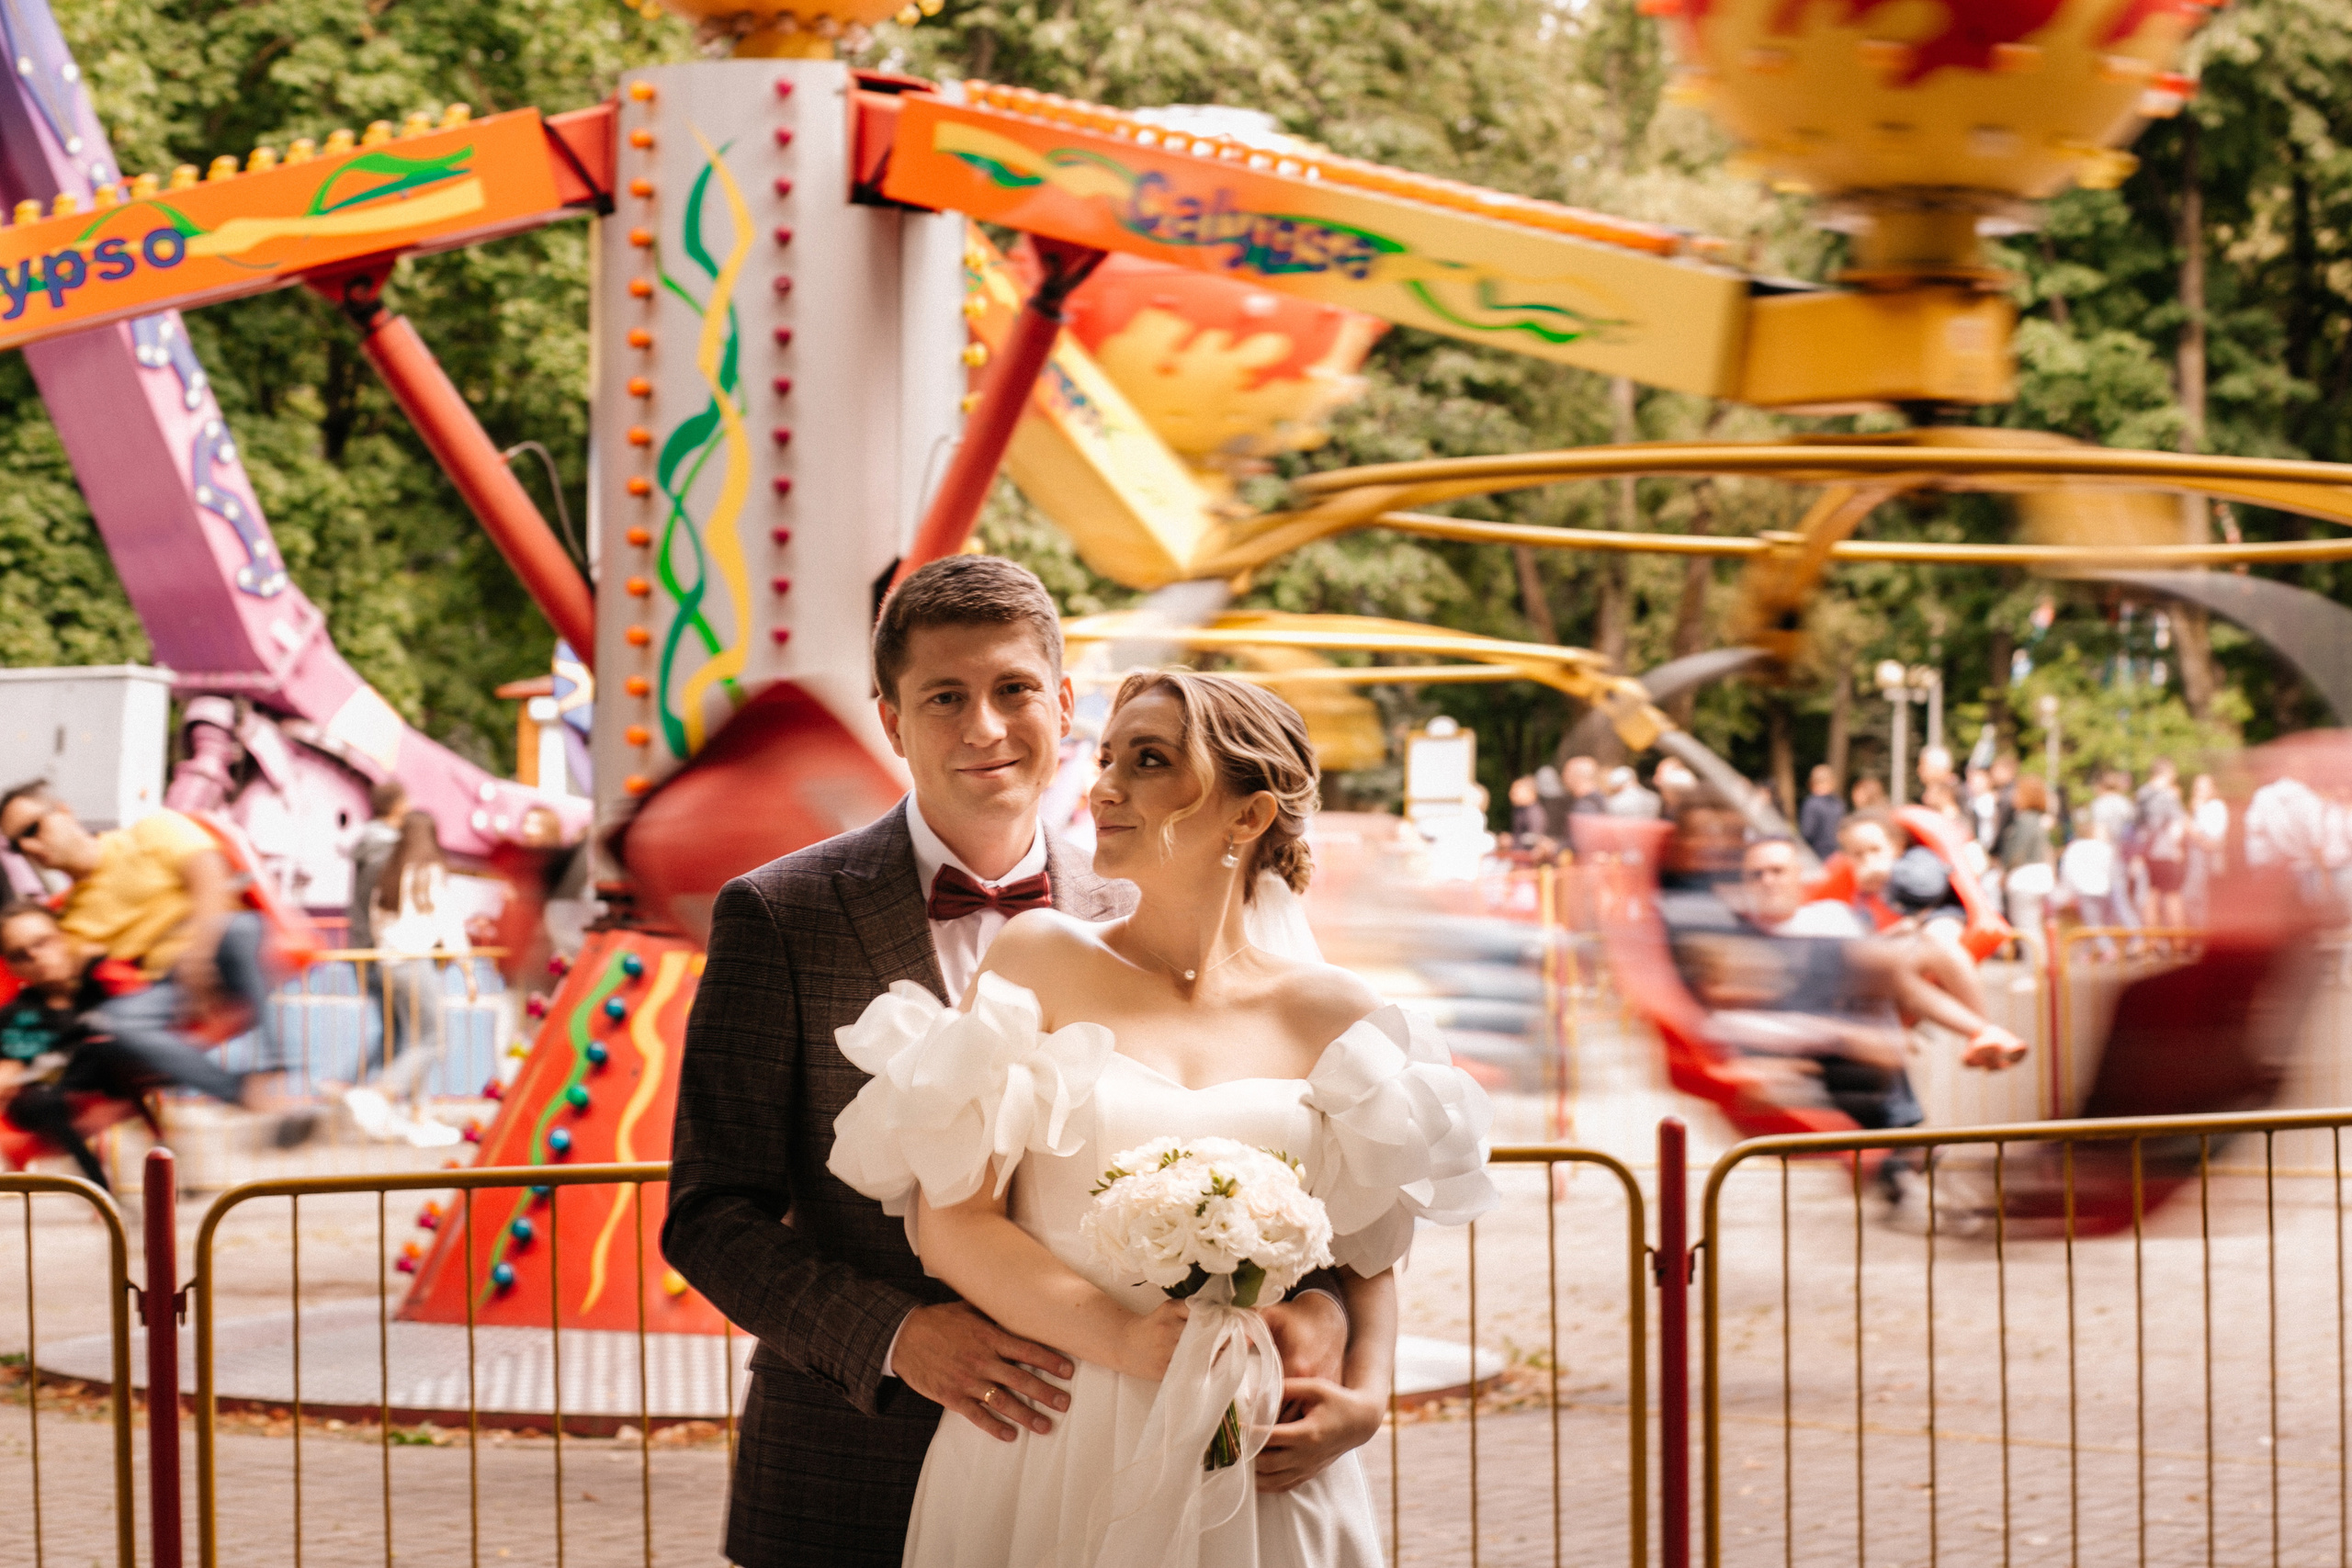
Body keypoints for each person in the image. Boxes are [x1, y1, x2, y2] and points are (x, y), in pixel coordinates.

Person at [662, 558, 1364, 1568]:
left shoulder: (1147, 907)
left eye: (1013, 690)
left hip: (1121, 1468)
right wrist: (900, 1337)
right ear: (893, 723)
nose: (984, 728)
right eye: (944, 698)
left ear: (1064, 702)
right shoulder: (780, 916)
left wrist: (1323, 1319)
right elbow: (709, 1211)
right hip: (849, 1460)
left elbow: (1291, 1165)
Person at [828, 668, 1493, 1565]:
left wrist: (1365, 1400)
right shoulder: (1037, 960)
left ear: (1248, 816)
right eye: (1105, 757)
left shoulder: (1334, 1010)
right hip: (1054, 1428)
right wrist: (1127, 1341)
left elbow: (1369, 1249)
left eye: (1148, 761)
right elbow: (955, 1221)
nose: (1103, 785)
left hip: (1260, 1452)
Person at [0, 785, 304, 1126]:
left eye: (32, 829)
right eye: (16, 845)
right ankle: (247, 1094)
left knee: (237, 931)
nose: (28, 847)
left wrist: (198, 958)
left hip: (220, 945)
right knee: (118, 1020)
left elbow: (210, 878)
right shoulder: (70, 921)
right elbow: (56, 983)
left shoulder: (153, 832)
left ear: (64, 812)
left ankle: (285, 1076)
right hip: (170, 987)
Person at [0, 903, 256, 1186]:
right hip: (55, 1092)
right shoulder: (18, 1015)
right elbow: (13, 1066)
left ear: (63, 938)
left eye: (42, 942)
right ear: (12, 965)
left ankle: (164, 1169)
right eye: (21, 954)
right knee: (43, 1100)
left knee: (114, 1043)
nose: (36, 957)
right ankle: (103, 1191)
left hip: (113, 1074)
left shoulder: (100, 980)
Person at [345, 812, 471, 1145]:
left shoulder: (391, 869)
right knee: (434, 1039)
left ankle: (419, 1116)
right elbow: (447, 920)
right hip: (415, 960)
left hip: (389, 960)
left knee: (417, 1041)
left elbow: (376, 917)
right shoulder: (428, 869)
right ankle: (379, 1093)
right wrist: (466, 967)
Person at [1996, 774, 2057, 942]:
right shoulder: (2041, 820)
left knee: (2027, 927)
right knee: (2035, 925)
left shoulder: (2024, 820)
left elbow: (2016, 852)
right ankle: (2041, 965)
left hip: (2024, 878)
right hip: (2041, 876)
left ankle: (2036, 967)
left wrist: (2004, 872)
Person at [2136, 759, 2189, 942]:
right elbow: (2182, 821)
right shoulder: (2166, 796)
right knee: (2173, 896)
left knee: (2152, 895)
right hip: (2165, 852)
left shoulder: (2142, 794)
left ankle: (2151, 942)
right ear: (2165, 773)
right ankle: (2179, 942)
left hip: (2146, 852)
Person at [1798, 764, 1845, 863]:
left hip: (1817, 855)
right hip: (1837, 855)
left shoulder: (1811, 803)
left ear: (1811, 783)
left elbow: (1807, 833)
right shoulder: (1838, 804)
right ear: (1832, 782)